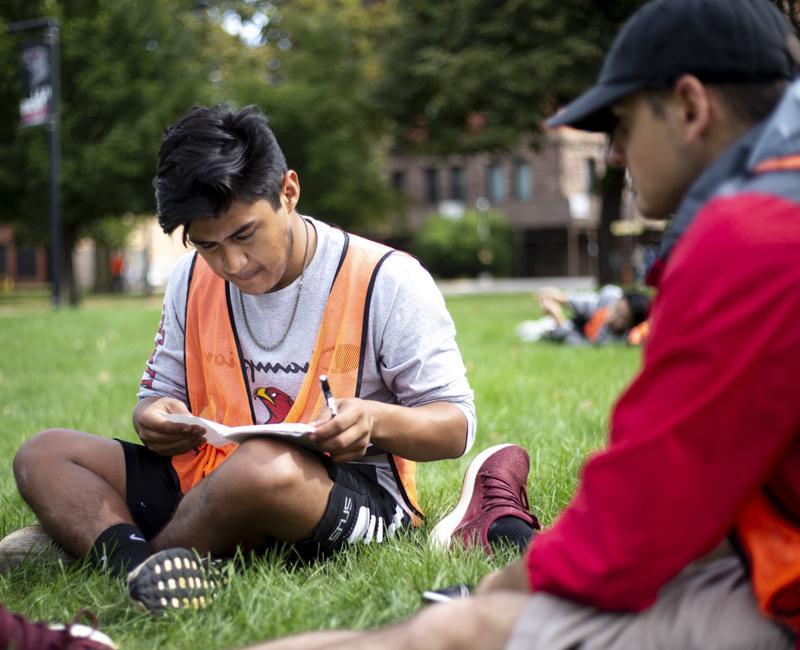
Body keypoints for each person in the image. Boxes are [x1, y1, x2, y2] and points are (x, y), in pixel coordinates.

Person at [240, 0, 800, 648]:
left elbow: (634, 525)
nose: (615, 154)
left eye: (621, 123)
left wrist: (482, 602)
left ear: (690, 107)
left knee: (449, 634)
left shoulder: (748, 238)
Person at [7, 105, 478, 614]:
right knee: (44, 454)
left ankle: (129, 558)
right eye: (207, 245)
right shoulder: (190, 278)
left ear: (288, 191)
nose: (231, 264)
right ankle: (140, 566)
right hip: (206, 476)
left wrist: (376, 419)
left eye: (244, 234)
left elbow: (456, 427)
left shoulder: (389, 279)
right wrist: (154, 415)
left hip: (335, 493)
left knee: (262, 471)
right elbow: (159, 393)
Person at [516, 284, 650, 345]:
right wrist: (560, 297)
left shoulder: (612, 341)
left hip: (567, 332)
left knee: (533, 333)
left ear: (631, 326)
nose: (612, 316)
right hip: (574, 324)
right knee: (524, 329)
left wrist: (557, 316)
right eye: (616, 309)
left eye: (622, 318)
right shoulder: (610, 298)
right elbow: (588, 302)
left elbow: (576, 342)